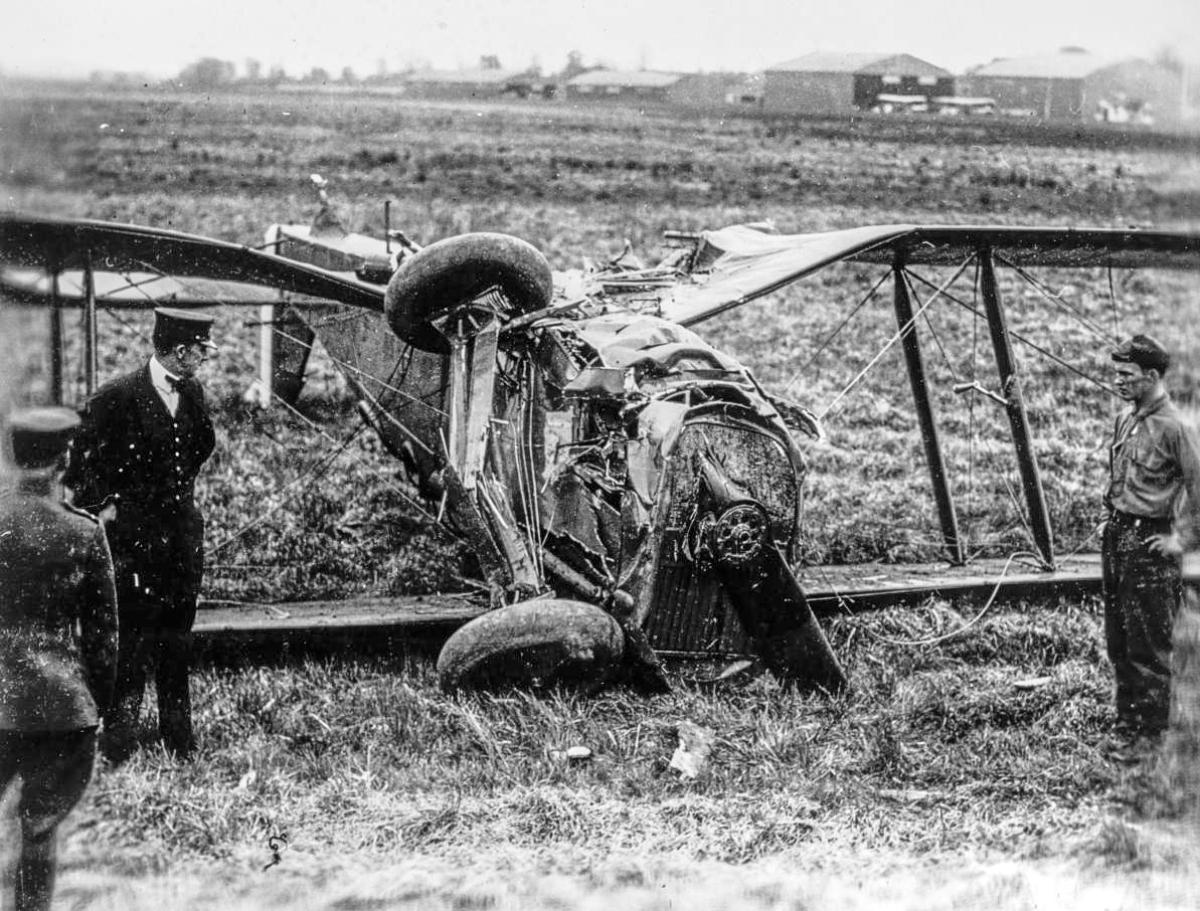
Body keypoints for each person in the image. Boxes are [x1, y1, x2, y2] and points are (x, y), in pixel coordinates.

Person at [63, 307, 217, 761]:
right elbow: (80, 470)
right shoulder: (116, 397)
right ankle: (120, 740)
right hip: (133, 540)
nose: (205, 359)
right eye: (201, 352)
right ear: (180, 350)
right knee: (130, 640)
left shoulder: (193, 393)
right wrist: (106, 512)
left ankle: (178, 738)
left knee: (177, 636)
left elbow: (201, 446)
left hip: (182, 538)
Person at [1, 407, 118, 911]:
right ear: (65, 459)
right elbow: (103, 638)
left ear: (12, 455)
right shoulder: (84, 532)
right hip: (59, 706)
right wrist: (100, 702)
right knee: (41, 828)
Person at [1102, 333, 1200, 751]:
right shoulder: (1127, 418)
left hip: (1150, 543)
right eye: (1116, 374)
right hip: (1118, 537)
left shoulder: (1176, 427)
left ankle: (1147, 737)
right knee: (1119, 638)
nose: (1118, 382)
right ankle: (1128, 724)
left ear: (1153, 376)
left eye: (1127, 375)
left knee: (1148, 644)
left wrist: (1183, 542)